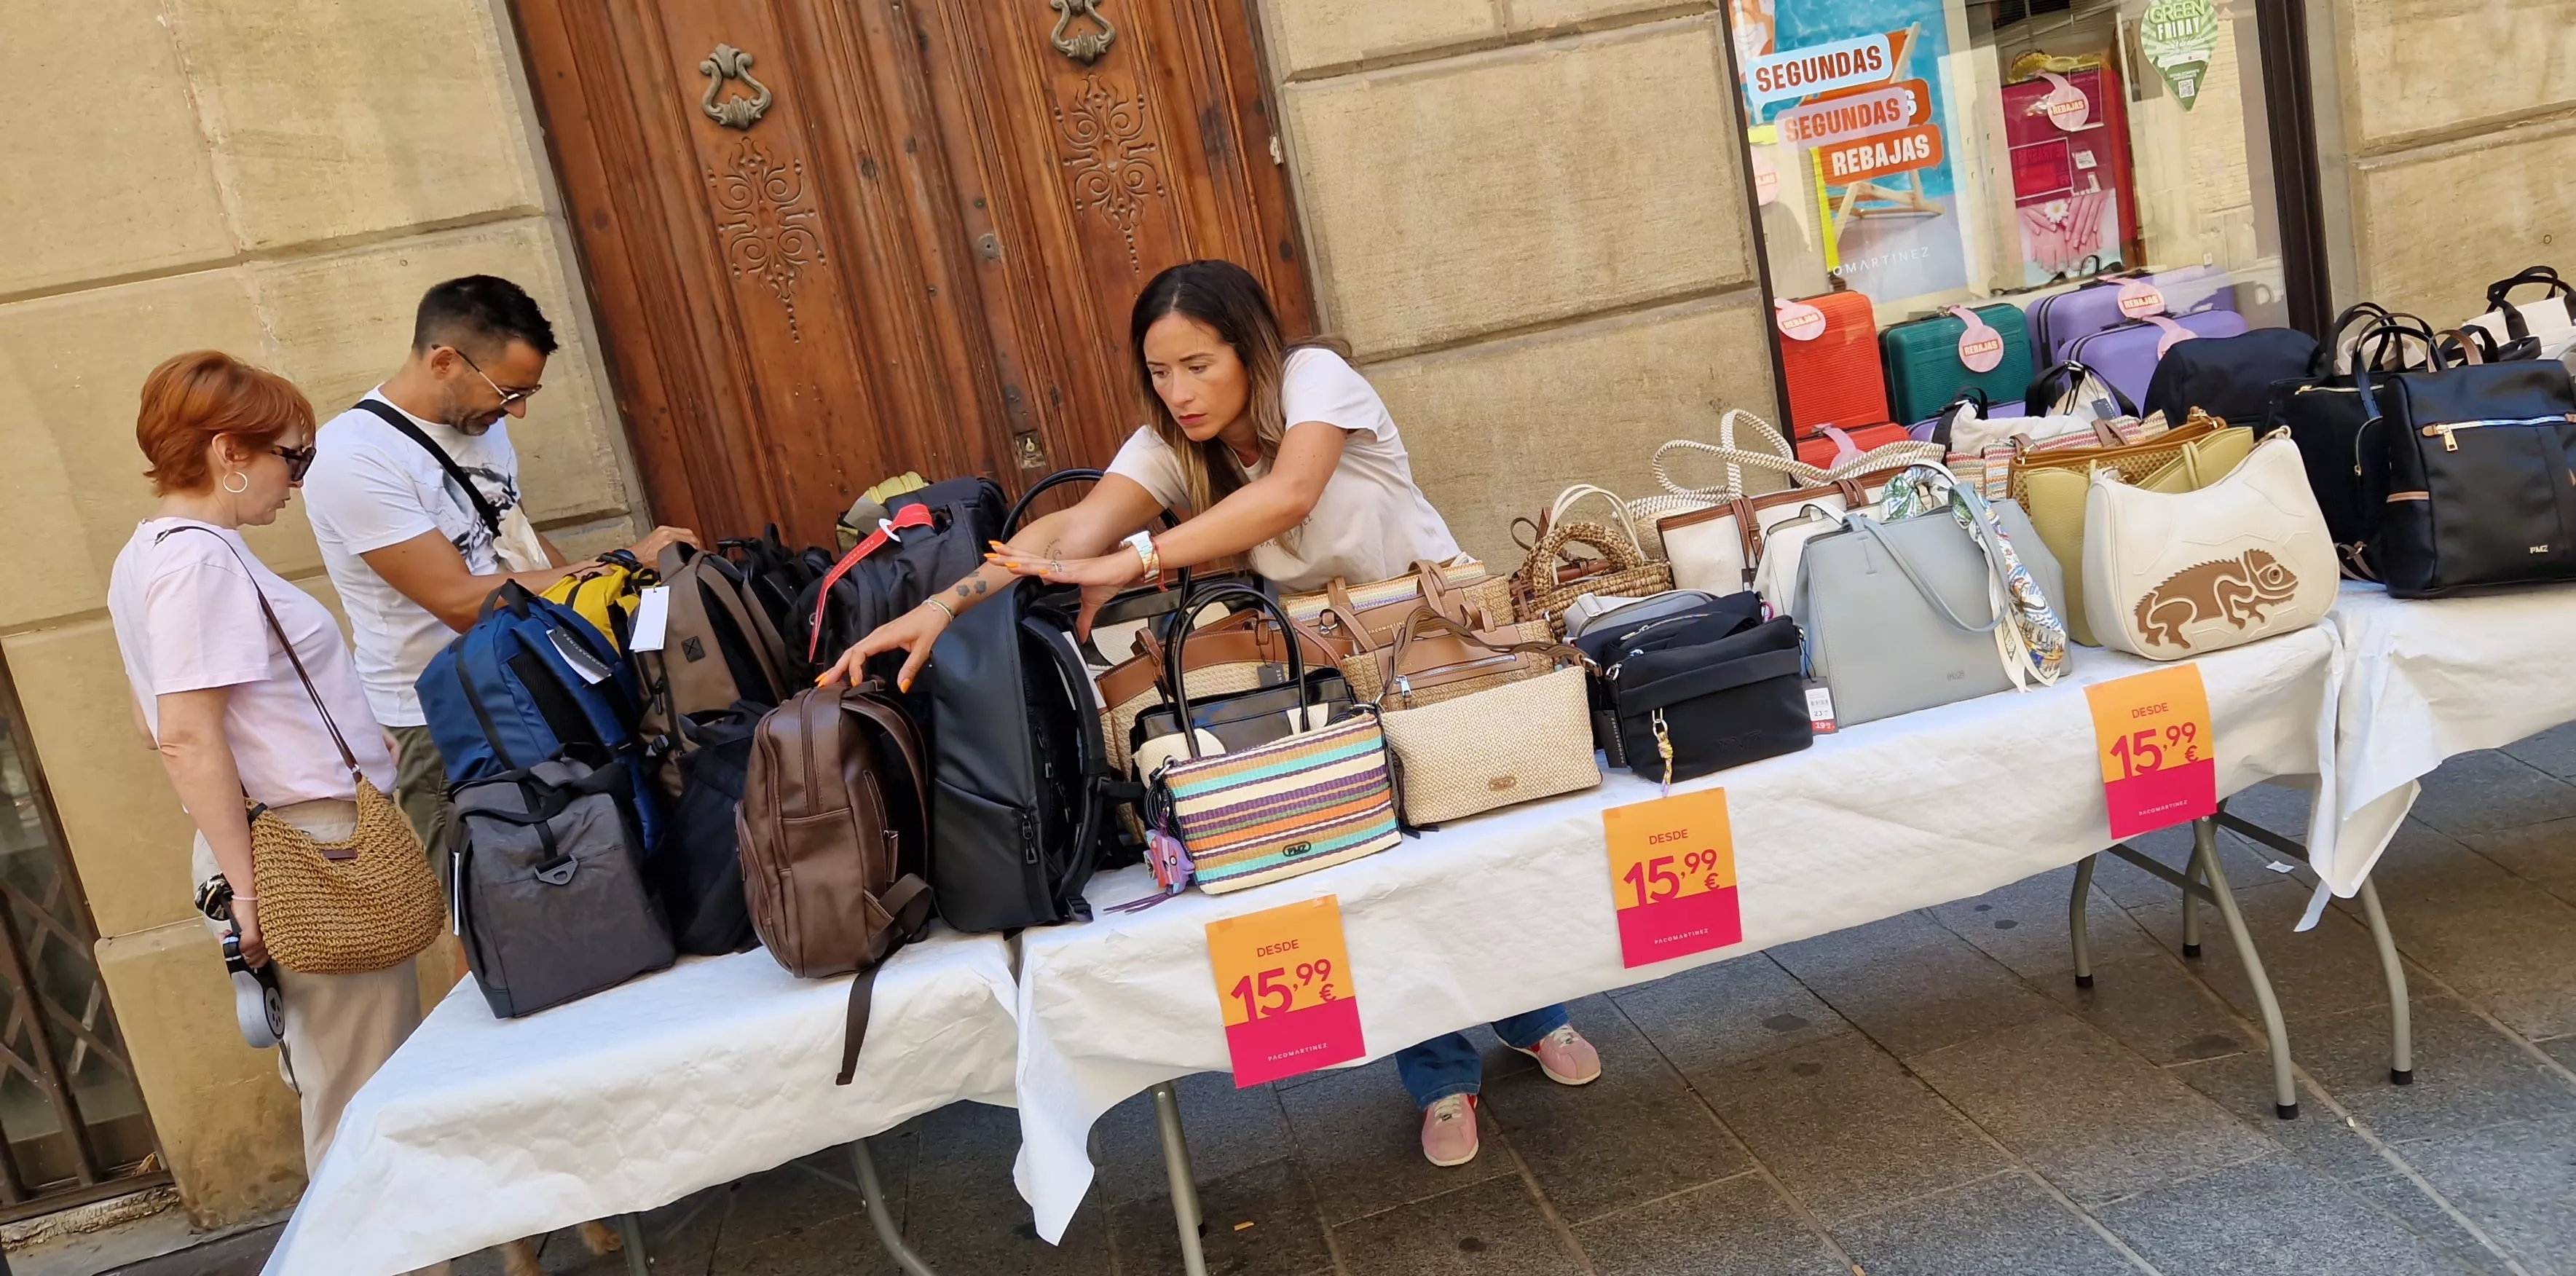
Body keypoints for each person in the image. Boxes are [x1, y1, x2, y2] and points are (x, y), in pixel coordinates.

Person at [824, 259, 1602, 1167]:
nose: (1180, 392)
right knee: (1359, 875)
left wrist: (1138, 557)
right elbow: (1064, 538)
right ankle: (1436, 1074)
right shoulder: (1169, 448)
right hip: (1318, 671)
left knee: (1468, 848)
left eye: (1199, 364)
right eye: (1159, 371)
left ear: (1251, 349)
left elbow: (1290, 492)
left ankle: (1534, 1011)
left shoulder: (1317, 381)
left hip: (1432, 634)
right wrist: (944, 605)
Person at [107, 352, 449, 1276]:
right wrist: (253, 888)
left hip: (280, 839)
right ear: (229, 452)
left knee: (355, 1093)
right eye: (294, 459)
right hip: (304, 843)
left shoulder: (148, 556)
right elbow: (185, 736)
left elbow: (161, 728)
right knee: (361, 1106)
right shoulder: (199, 564)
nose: (301, 480)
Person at [302, 275, 695, 856]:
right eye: (509, 393)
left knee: (599, 877)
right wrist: (616, 562)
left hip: (536, 681)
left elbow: (518, 541)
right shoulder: (355, 458)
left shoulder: (481, 425)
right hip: (443, 716)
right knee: (497, 907)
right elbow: (461, 601)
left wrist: (614, 600)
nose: (520, 411)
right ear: (444, 362)